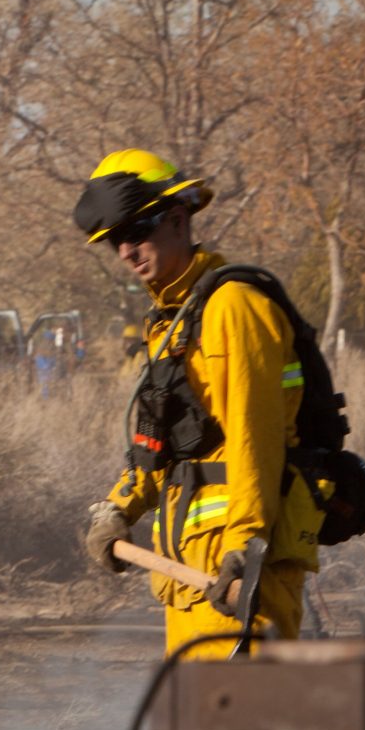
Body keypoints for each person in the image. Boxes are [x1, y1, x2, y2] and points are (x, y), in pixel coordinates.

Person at [75, 150, 321, 659]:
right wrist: (117, 508)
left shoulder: (234, 307)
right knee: (198, 729)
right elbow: (159, 443)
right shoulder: (171, 319)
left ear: (179, 219)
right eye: (115, 240)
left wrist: (244, 548)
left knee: (246, 729)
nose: (126, 250)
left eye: (136, 231)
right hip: (190, 570)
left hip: (238, 569)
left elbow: (255, 438)